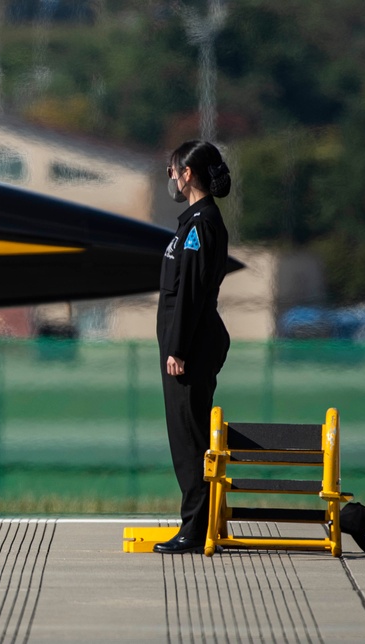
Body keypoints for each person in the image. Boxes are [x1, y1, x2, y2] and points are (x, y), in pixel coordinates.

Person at [153, 140, 232, 555]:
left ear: (187, 173)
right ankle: (200, 521)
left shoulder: (201, 225)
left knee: (190, 439)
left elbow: (191, 294)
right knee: (187, 435)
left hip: (192, 347)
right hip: (186, 345)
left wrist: (178, 347)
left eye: (173, 170)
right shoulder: (192, 223)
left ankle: (196, 527)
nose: (170, 177)